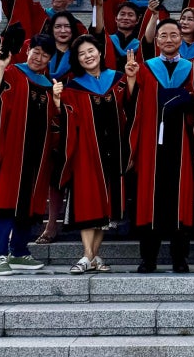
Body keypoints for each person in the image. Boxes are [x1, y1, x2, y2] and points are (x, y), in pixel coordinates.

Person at [0, 33, 63, 275]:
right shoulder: (13, 73)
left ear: (50, 59)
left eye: (45, 54)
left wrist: (58, 101)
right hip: (12, 152)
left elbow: (56, 121)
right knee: (6, 202)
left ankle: (19, 252)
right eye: (36, 51)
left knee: (29, 204)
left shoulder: (48, 85)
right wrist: (0, 68)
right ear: (27, 51)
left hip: (38, 156)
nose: (39, 57)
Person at [58, 36, 139, 273]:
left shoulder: (117, 79)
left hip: (115, 151)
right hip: (86, 154)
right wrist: (57, 100)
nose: (88, 56)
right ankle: (87, 255)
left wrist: (131, 79)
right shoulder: (73, 87)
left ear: (100, 53)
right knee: (88, 202)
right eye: (82, 54)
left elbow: (131, 107)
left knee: (106, 205)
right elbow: (66, 120)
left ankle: (92, 257)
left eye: (91, 50)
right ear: (77, 60)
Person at [127, 18, 194, 273]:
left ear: (181, 39)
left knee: (180, 197)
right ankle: (149, 258)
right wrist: (131, 80)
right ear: (156, 40)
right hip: (151, 144)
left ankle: (180, 258)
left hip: (182, 143)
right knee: (151, 198)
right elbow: (132, 104)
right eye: (164, 35)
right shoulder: (146, 68)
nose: (169, 39)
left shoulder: (191, 68)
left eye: (174, 35)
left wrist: (188, 102)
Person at [32, 11, 84, 245]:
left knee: (67, 172)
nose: (63, 31)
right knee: (50, 174)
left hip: (73, 119)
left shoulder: (79, 55)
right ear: (51, 30)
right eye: (58, 26)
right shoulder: (43, 56)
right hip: (44, 119)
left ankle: (67, 221)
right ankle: (48, 222)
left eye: (67, 27)